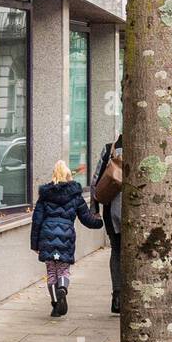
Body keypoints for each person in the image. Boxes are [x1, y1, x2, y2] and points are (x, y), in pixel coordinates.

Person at [31, 160, 103, 316]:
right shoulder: (75, 195)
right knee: (63, 270)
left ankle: (56, 305)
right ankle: (63, 288)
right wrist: (99, 223)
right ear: (69, 175)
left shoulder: (44, 196)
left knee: (51, 272)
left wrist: (34, 244)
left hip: (47, 234)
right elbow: (86, 218)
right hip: (66, 235)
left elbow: (36, 221)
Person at [91, 132, 124, 314]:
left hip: (112, 212)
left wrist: (94, 209)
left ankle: (117, 297)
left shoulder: (110, 148)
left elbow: (96, 180)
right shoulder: (147, 147)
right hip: (136, 214)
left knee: (117, 251)